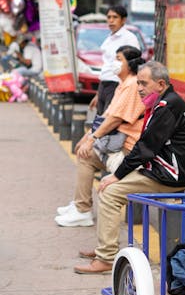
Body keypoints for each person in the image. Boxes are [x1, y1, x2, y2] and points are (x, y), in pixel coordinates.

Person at [74, 60, 185, 274]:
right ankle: (105, 248)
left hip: (168, 176)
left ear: (160, 84)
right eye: (138, 83)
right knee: (108, 185)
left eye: (143, 84)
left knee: (110, 192)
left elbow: (145, 149)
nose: (139, 88)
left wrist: (117, 175)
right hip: (160, 170)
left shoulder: (167, 107)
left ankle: (106, 257)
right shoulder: (165, 102)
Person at [55, 46, 146, 227]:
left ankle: (82, 209)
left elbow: (114, 119)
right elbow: (106, 117)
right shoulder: (124, 85)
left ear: (131, 64)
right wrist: (87, 136)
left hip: (128, 147)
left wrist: (92, 140)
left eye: (119, 59)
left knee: (86, 156)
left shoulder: (132, 85)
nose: (115, 63)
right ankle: (80, 205)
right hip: (118, 142)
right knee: (84, 152)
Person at [90, 5, 140, 115]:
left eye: (115, 17)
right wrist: (98, 94)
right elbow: (106, 66)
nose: (111, 21)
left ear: (123, 20)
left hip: (117, 85)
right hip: (104, 84)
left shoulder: (129, 38)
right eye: (109, 17)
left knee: (108, 121)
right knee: (99, 121)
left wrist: (124, 89)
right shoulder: (109, 38)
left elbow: (133, 64)